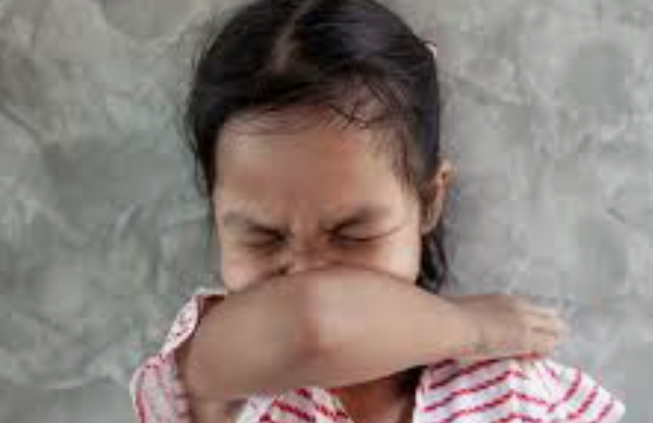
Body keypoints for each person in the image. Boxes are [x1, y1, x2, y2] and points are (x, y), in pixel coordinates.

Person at [129, 0, 626, 422]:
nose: (307, 273)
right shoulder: (218, 361)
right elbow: (313, 323)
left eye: (351, 233)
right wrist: (472, 328)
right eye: (263, 236)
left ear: (428, 201)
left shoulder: (511, 389)